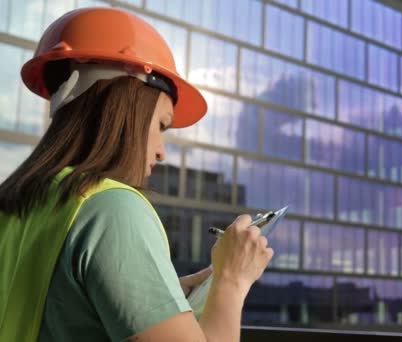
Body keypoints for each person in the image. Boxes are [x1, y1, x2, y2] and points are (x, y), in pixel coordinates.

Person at [0, 7, 273, 342]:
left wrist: (165, 296)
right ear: (124, 103)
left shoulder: (19, 203)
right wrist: (233, 279)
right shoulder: (112, 210)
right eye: (160, 125)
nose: (161, 151)